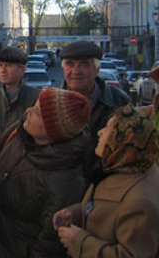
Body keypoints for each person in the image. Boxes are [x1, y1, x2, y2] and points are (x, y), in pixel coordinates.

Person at [0, 88, 90, 258]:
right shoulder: (17, 133)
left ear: (53, 130)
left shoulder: (66, 181)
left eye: (37, 112)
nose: (28, 111)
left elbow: (48, 246)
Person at [54, 105, 159, 258]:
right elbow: (104, 211)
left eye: (108, 130)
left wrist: (79, 242)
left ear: (123, 142)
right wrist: (75, 213)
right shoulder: (125, 166)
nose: (99, 132)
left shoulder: (140, 202)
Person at [58, 41, 130, 178]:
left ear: (96, 70)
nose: (76, 71)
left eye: (84, 64)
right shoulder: (50, 102)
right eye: (70, 64)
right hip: (65, 184)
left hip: (109, 182)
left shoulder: (118, 100)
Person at [0, 46, 39, 164]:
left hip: (26, 167)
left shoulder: (36, 99)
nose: (3, 70)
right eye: (0, 65)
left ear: (22, 69)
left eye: (8, 66)